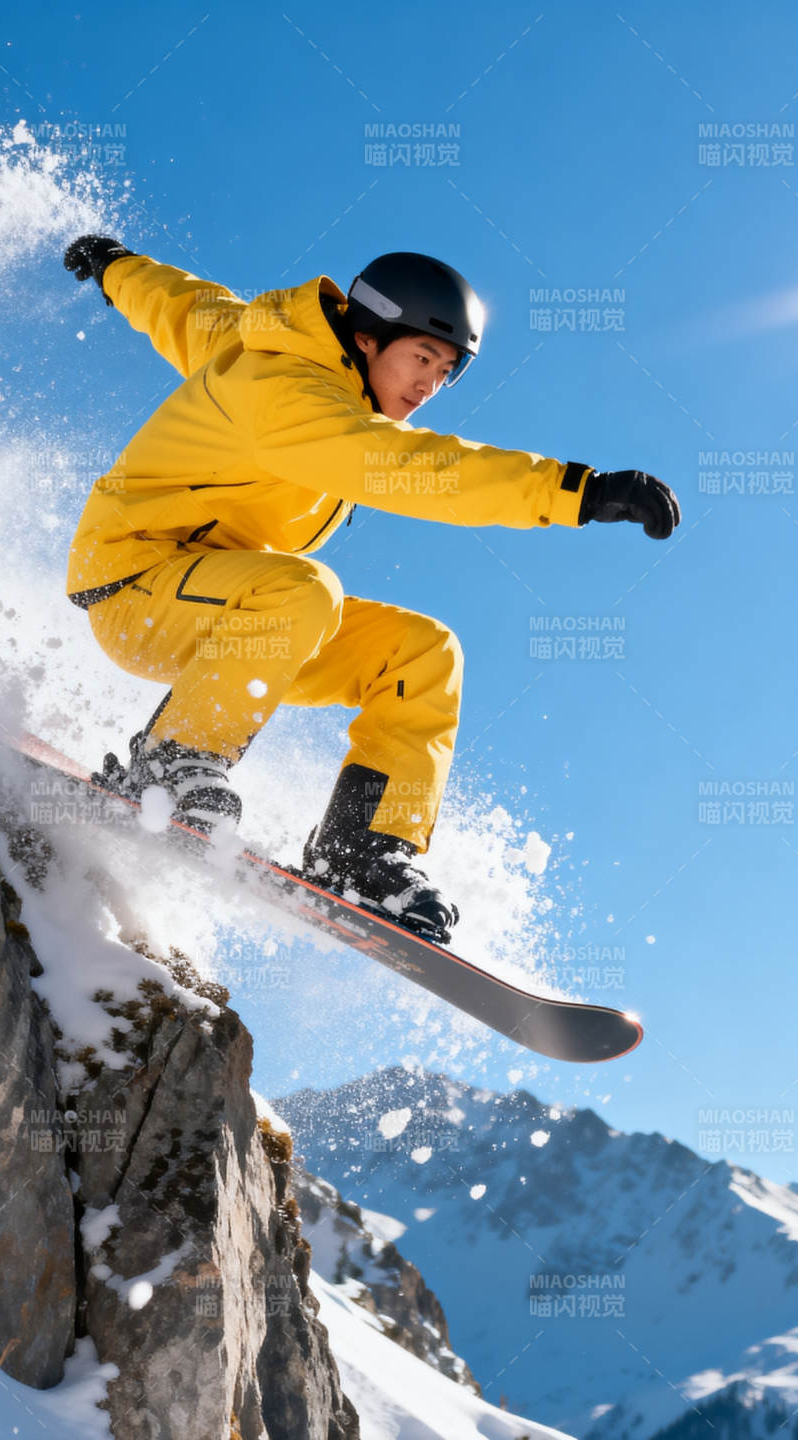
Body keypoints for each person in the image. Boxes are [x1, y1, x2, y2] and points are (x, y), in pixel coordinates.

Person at [62, 236, 679, 943]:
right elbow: (409, 468)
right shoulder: (290, 393)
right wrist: (576, 491)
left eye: (447, 371)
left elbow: (183, 306)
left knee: (422, 653)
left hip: (236, 611)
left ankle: (365, 849)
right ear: (365, 337)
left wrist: (114, 267)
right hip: (137, 583)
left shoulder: (254, 341)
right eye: (421, 358)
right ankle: (169, 764)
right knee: (305, 588)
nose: (429, 387)